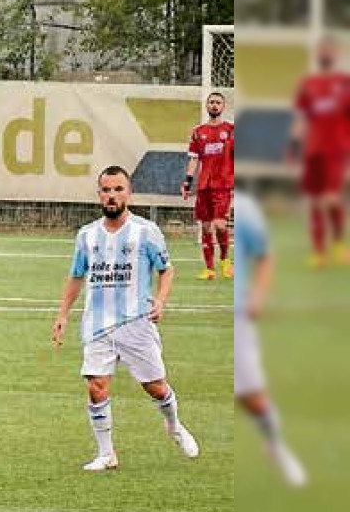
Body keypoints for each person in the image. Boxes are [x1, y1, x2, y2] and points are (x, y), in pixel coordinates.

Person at [52, 165, 200, 471]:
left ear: (128, 193)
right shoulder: (87, 235)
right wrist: (63, 314)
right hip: (97, 323)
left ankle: (173, 425)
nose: (112, 195)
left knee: (156, 387)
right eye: (106, 190)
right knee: (96, 386)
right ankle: (106, 453)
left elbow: (166, 269)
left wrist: (160, 300)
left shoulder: (146, 231)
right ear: (99, 195)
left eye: (118, 189)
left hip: (136, 322)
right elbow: (76, 275)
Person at [232, 194, 307, 487]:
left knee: (251, 394)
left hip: (239, 316)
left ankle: (276, 444)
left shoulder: (245, 206)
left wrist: (259, 296)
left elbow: (265, 254)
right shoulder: (209, 197)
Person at [290, 38, 350, 267]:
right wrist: (295, 144)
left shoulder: (344, 83)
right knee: (315, 200)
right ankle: (319, 251)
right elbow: (301, 117)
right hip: (312, 149)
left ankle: (338, 243)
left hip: (336, 148)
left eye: (329, 50)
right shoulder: (309, 84)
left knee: (331, 198)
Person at [182, 92, 235, 280]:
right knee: (205, 227)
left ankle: (226, 261)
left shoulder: (231, 130)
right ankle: (210, 269)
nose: (214, 105)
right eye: (211, 102)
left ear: (223, 106)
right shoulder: (198, 131)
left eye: (218, 102)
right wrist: (187, 182)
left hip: (223, 185)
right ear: (206, 106)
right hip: (204, 186)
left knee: (220, 225)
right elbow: (194, 159)